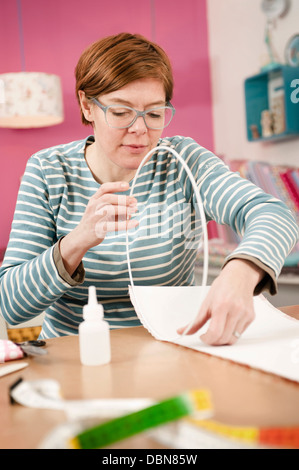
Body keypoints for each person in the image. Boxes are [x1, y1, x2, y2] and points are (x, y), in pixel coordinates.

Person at [0, 33, 297, 345]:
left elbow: (273, 214)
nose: (140, 129)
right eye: (121, 112)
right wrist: (76, 242)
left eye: (154, 113)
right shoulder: (48, 170)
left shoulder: (184, 161)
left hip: (173, 346)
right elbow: (12, 305)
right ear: (87, 106)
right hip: (76, 353)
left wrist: (242, 271)